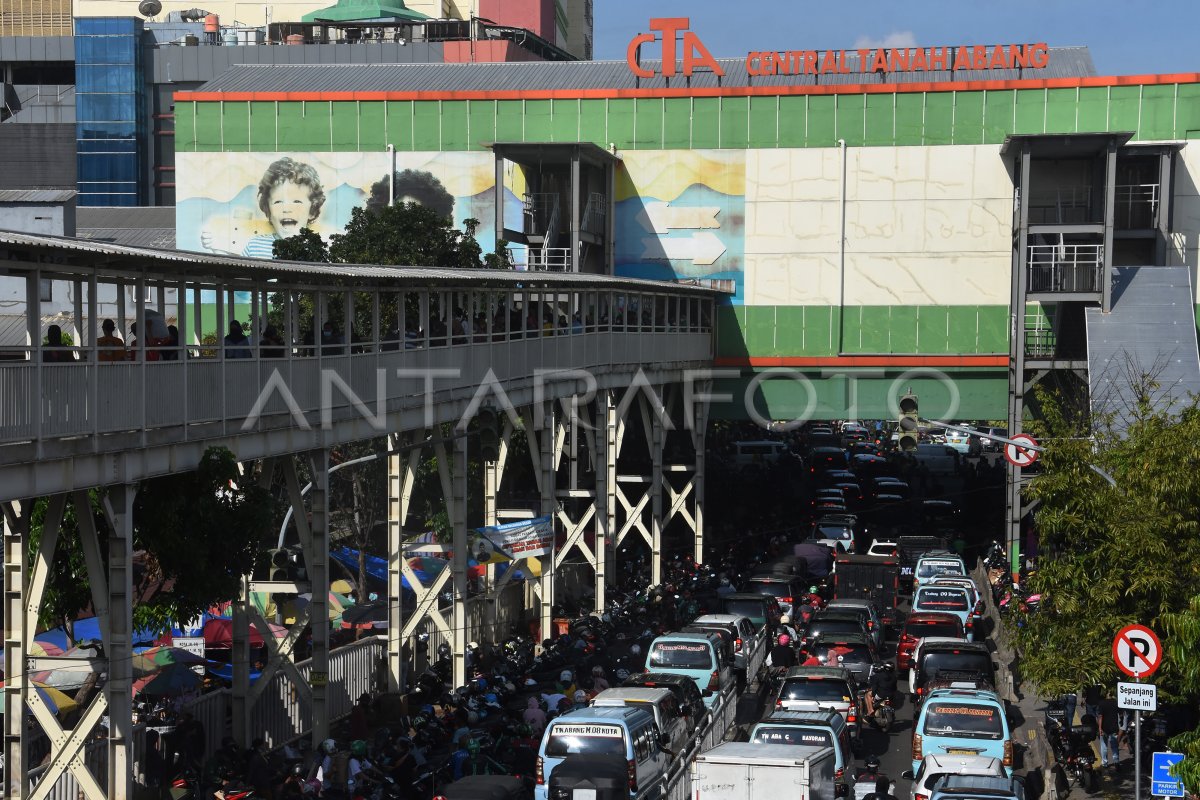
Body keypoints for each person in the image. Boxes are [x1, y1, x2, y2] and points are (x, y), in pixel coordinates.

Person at [240, 157, 326, 258]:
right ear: (269, 211)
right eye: (278, 202)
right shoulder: (255, 247)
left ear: (312, 211)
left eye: (297, 201)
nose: (286, 209)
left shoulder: (317, 250)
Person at [1098, 691, 1121, 767]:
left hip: (1104, 727)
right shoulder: (1116, 703)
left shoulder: (1102, 703)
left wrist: (1100, 728)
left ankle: (1104, 762)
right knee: (1114, 746)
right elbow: (1120, 714)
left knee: (1104, 745)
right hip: (1114, 727)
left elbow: (1100, 716)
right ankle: (1116, 761)